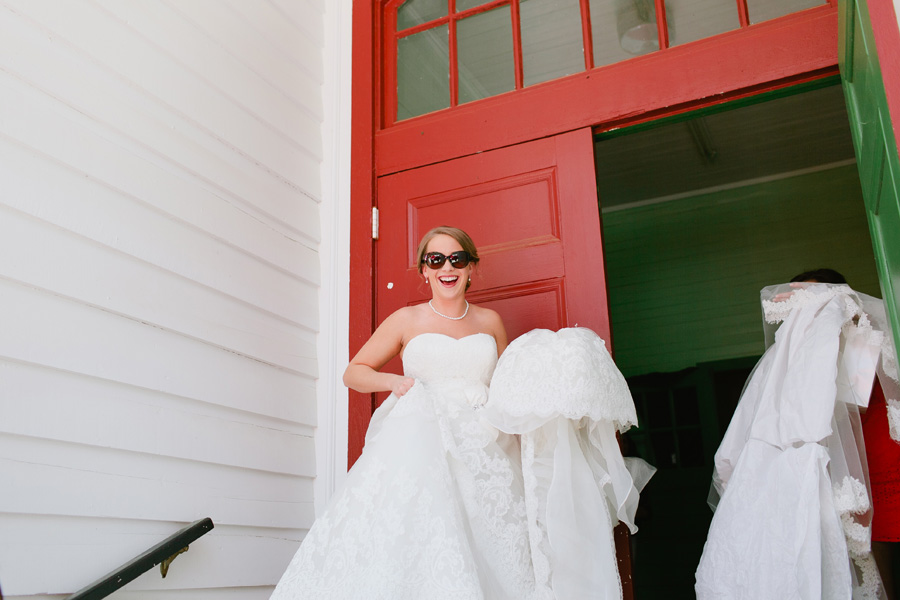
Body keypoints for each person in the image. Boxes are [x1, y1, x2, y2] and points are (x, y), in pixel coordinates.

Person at [269, 226, 534, 599]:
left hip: (486, 445)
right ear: (424, 270)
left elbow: (507, 383)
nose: (447, 267)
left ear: (472, 267)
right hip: (422, 441)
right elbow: (353, 373)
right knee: (425, 535)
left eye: (457, 258)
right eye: (435, 259)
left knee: (494, 542)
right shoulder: (406, 320)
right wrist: (392, 382)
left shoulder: (489, 322)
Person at [696, 270, 899, 599]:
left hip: (871, 471)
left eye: (813, 300)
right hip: (823, 476)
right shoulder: (780, 359)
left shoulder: (862, 333)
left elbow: (853, 403)